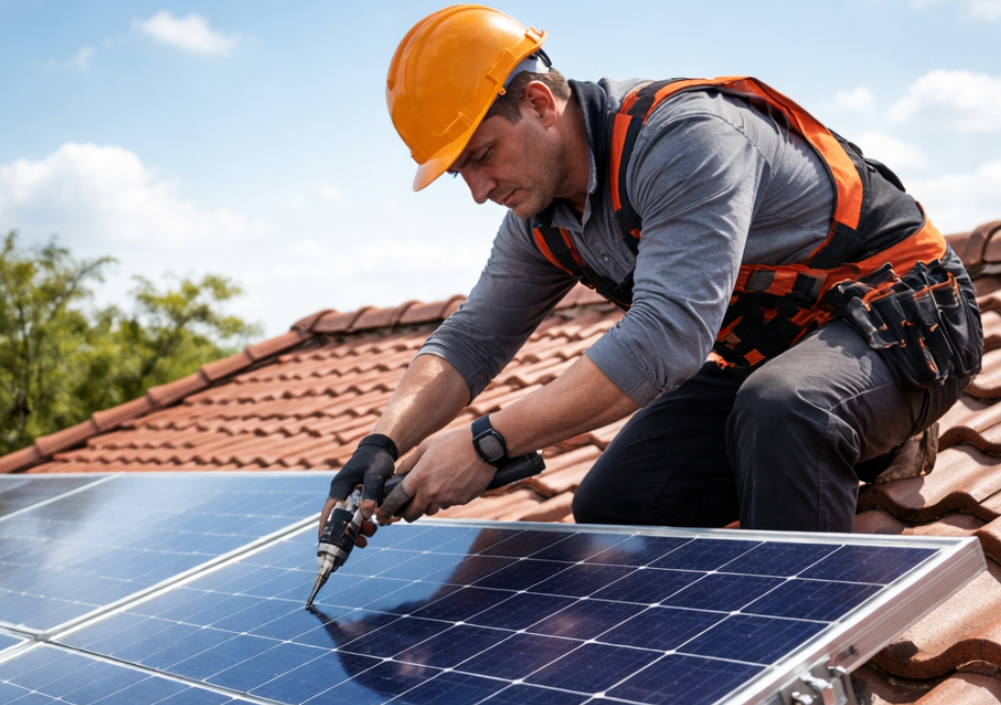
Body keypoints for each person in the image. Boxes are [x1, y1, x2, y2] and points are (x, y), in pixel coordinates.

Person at [321, 5, 981, 539]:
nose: (478, 189)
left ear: (541, 103)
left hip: (907, 330)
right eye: (460, 172)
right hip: (786, 352)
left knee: (788, 407)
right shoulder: (542, 215)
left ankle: (806, 660)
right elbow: (472, 340)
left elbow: (666, 339)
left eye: (482, 155)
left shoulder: (683, 140)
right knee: (618, 499)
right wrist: (381, 443)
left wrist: (487, 444)